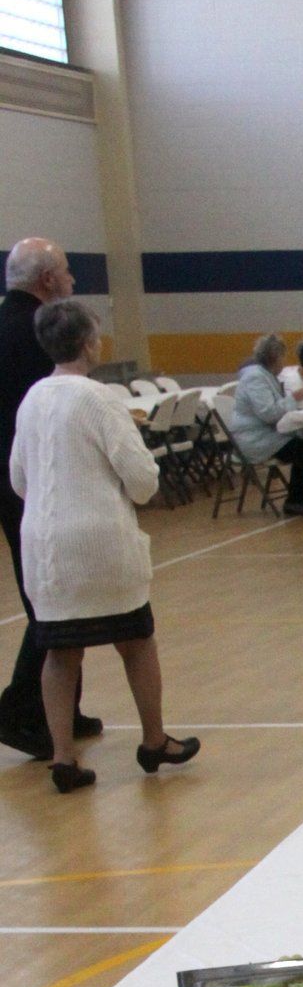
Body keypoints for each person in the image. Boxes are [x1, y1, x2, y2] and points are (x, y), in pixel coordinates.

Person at [10, 299, 199, 795]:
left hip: (44, 545)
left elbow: (18, 477)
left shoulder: (32, 398)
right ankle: (154, 740)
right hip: (98, 541)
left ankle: (63, 757)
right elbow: (142, 481)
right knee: (136, 641)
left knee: (59, 650)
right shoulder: (100, 399)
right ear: (89, 342)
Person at [0, 236, 99, 760]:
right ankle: (22, 710)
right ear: (45, 281)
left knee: (51, 596)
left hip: (15, 481)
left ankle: (64, 711)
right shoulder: (36, 334)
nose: (73, 280)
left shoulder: (5, 323)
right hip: (35, 484)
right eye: (66, 272)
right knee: (51, 600)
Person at [230, 335, 303, 513]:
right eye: (282, 356)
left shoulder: (266, 376)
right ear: (275, 357)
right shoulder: (255, 378)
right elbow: (268, 413)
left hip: (267, 435)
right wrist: (293, 399)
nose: (284, 362)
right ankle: (297, 501)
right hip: (255, 439)